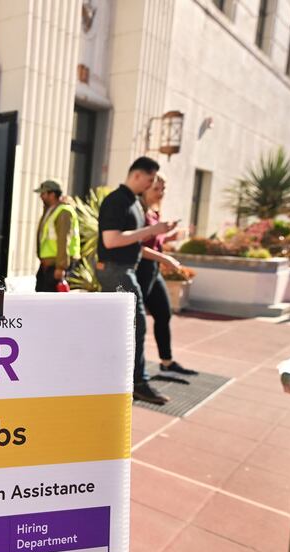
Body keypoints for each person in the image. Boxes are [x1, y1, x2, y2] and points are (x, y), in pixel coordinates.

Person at [96, 156, 176, 405]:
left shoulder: (132, 203)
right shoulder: (117, 201)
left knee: (124, 324)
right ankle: (137, 382)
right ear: (137, 175)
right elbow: (111, 241)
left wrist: (163, 257)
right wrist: (152, 231)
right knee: (136, 322)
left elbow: (133, 245)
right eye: (150, 180)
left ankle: (118, 377)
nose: (152, 185)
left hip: (122, 269)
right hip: (116, 271)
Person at [136, 175, 197, 377]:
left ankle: (167, 362)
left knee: (163, 313)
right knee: (136, 322)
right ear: (145, 188)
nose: (161, 193)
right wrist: (165, 259)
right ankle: (134, 372)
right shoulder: (138, 211)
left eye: (163, 189)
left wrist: (171, 235)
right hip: (140, 269)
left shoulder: (153, 213)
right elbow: (136, 246)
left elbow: (153, 240)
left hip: (154, 269)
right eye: (157, 189)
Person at [33, 180, 81, 292]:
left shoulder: (63, 211)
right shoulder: (51, 210)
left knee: (51, 302)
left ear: (52, 194)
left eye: (43, 193)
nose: (41, 196)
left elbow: (64, 240)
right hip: (49, 265)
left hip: (57, 266)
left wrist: (61, 267)